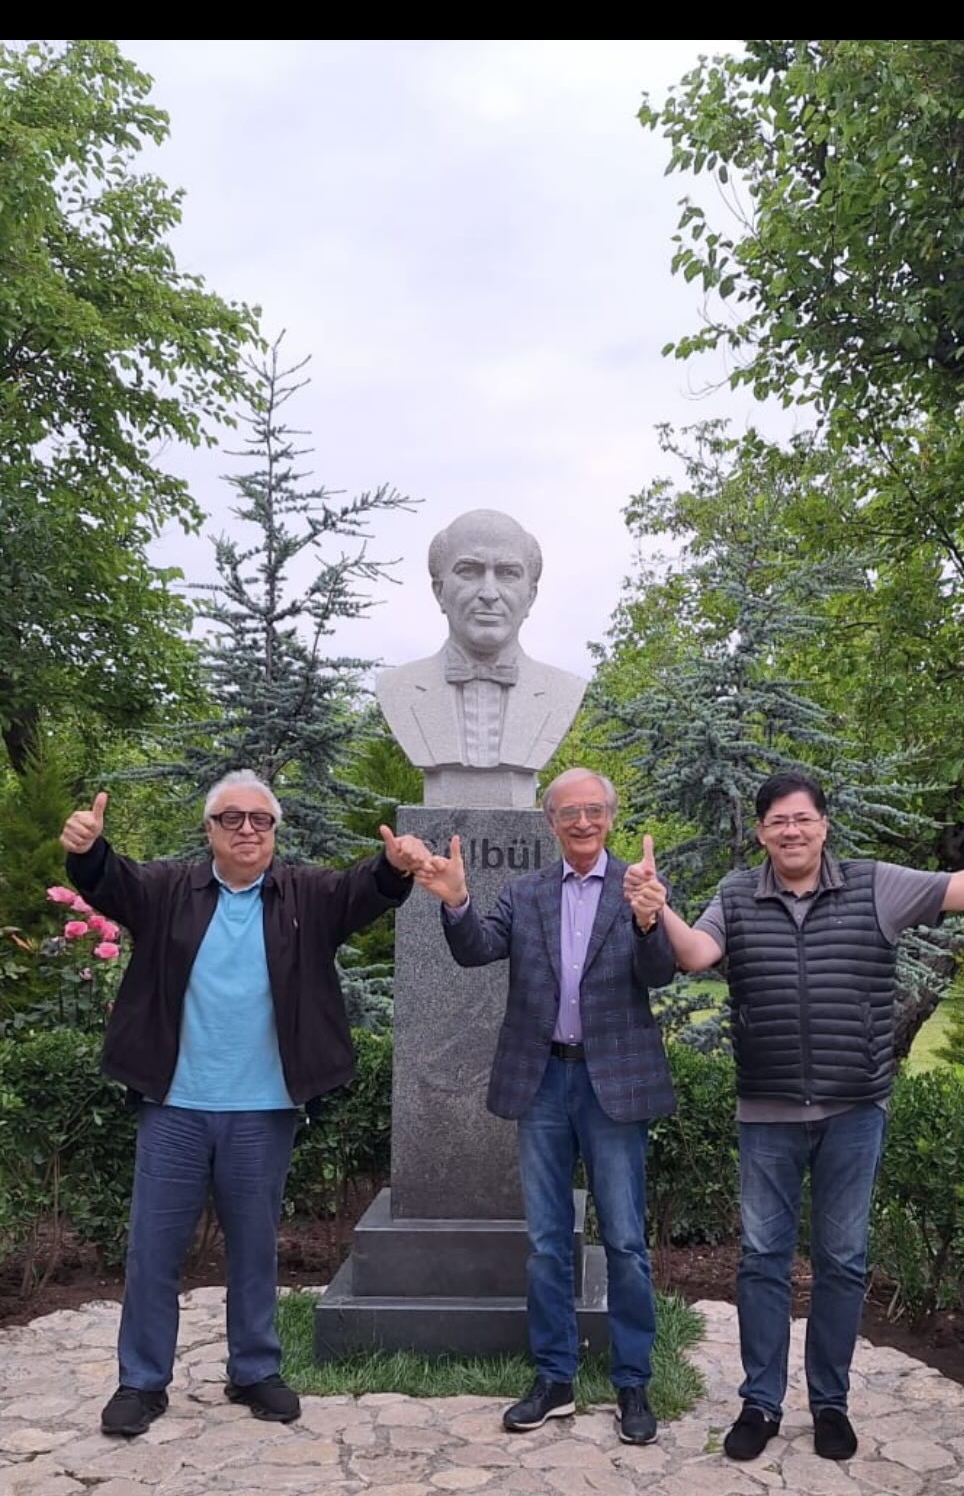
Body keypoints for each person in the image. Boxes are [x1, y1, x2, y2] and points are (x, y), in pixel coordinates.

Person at [623, 770, 964, 1464]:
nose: (791, 831)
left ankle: (830, 1404)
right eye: (777, 821)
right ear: (761, 832)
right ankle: (760, 1403)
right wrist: (656, 908)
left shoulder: (875, 885)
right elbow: (696, 954)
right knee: (761, 1260)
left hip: (853, 1109)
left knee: (842, 1261)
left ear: (823, 825)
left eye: (802, 819)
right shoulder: (736, 893)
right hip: (767, 1111)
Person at [60, 773, 433, 1439]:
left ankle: (255, 1369)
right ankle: (141, 1382)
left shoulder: (305, 894)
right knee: (153, 1251)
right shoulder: (168, 890)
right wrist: (88, 850)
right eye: (231, 818)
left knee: (255, 1248)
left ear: (274, 832)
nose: (247, 830)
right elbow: (112, 881)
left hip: (263, 1108)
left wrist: (393, 865)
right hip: (175, 1104)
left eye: (261, 819)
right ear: (209, 830)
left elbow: (362, 891)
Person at [415, 768, 677, 1443]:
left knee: (625, 1241)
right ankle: (555, 1377)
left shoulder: (637, 888)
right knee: (546, 1241)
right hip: (543, 1082)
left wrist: (649, 921)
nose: (582, 822)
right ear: (550, 822)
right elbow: (477, 950)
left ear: (610, 817)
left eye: (593, 810)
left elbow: (658, 973)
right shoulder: (526, 893)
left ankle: (632, 1382)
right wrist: (457, 901)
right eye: (568, 812)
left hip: (613, 1084)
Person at [376, 509, 585, 795]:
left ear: (531, 596)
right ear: (439, 591)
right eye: (469, 571)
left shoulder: (562, 691)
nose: (489, 593)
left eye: (507, 574)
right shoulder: (397, 688)